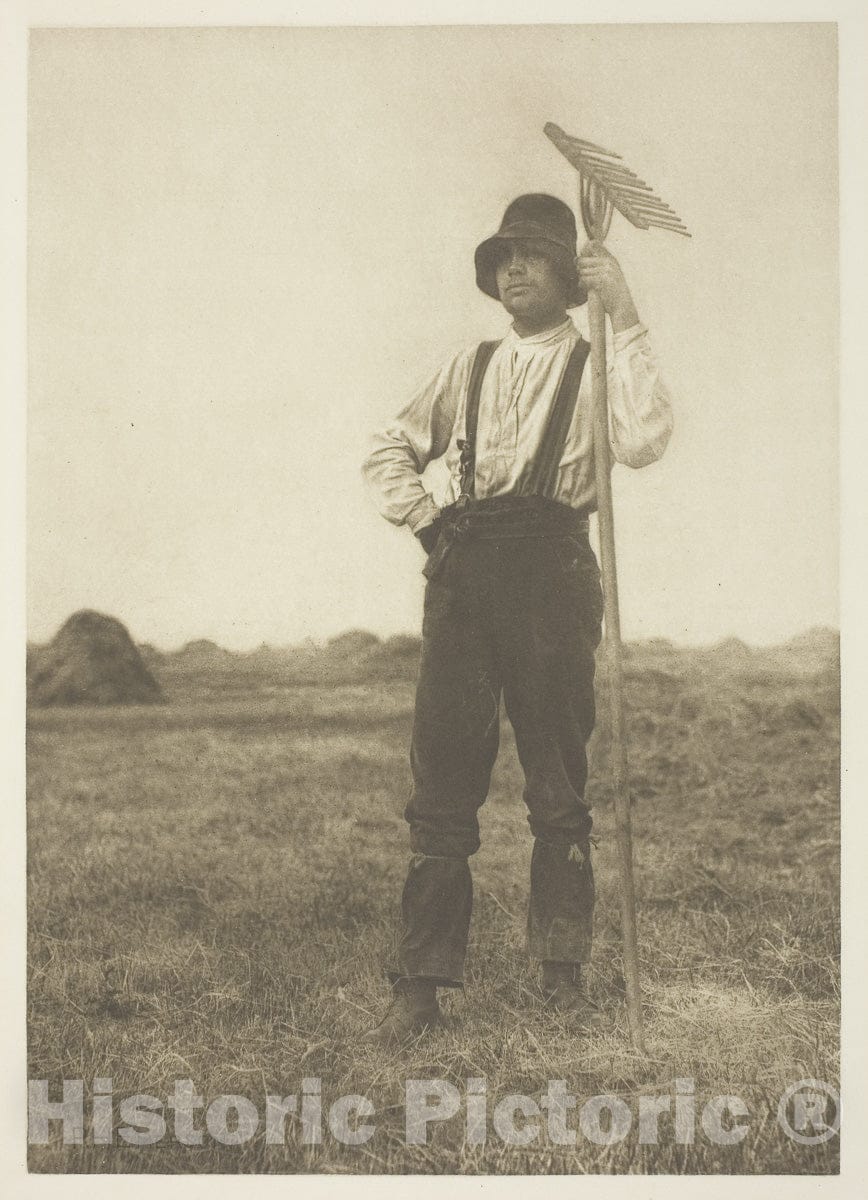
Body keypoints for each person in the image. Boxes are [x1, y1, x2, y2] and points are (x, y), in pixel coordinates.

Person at [360, 193, 673, 1045]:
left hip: (554, 574)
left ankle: (561, 977)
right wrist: (426, 523)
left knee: (558, 783)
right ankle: (420, 988)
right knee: (444, 783)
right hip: (464, 576)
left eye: (532, 255)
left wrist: (628, 311)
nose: (514, 269)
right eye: (503, 257)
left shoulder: (597, 358)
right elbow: (386, 445)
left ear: (571, 273)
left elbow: (644, 440)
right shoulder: (469, 364)